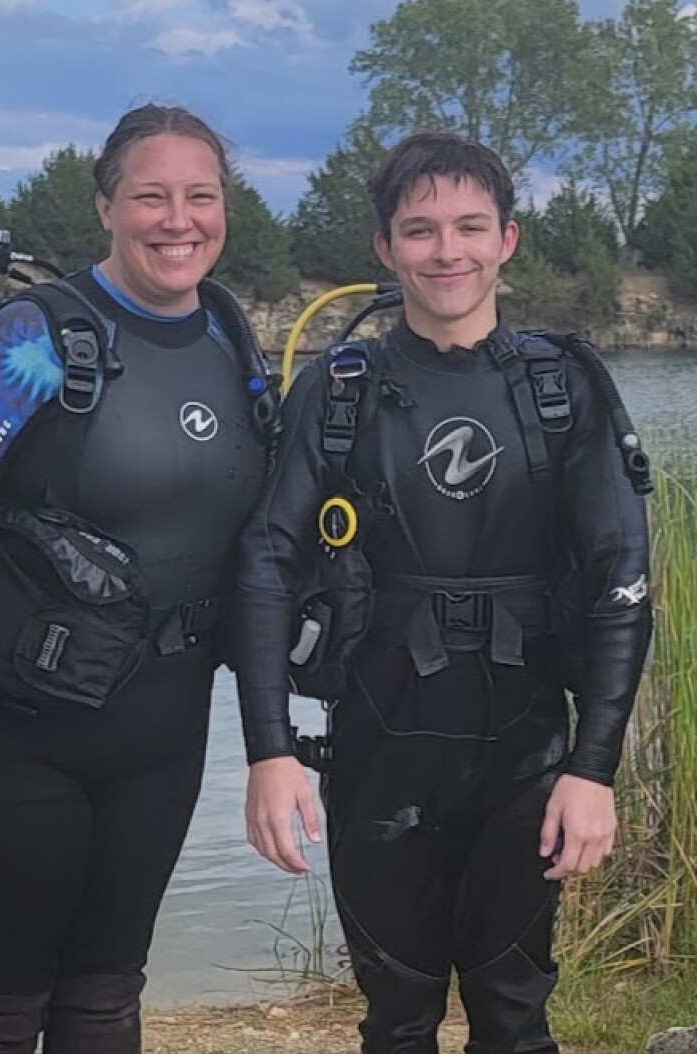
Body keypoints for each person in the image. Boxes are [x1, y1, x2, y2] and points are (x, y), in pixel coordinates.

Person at [234, 132, 652, 1053]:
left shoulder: (565, 387)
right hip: (379, 747)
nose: (446, 250)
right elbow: (265, 561)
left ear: (508, 238)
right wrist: (268, 750)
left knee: (513, 1012)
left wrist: (594, 771)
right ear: (385, 249)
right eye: (419, 230)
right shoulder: (338, 391)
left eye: (469, 226)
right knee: (395, 1020)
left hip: (529, 752)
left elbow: (624, 576)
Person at [0, 103, 274, 1054]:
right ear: (106, 206)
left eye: (201, 196)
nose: (178, 219)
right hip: (7, 732)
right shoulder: (34, 337)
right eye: (150, 196)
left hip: (162, 732)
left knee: (105, 999)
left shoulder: (229, 332)